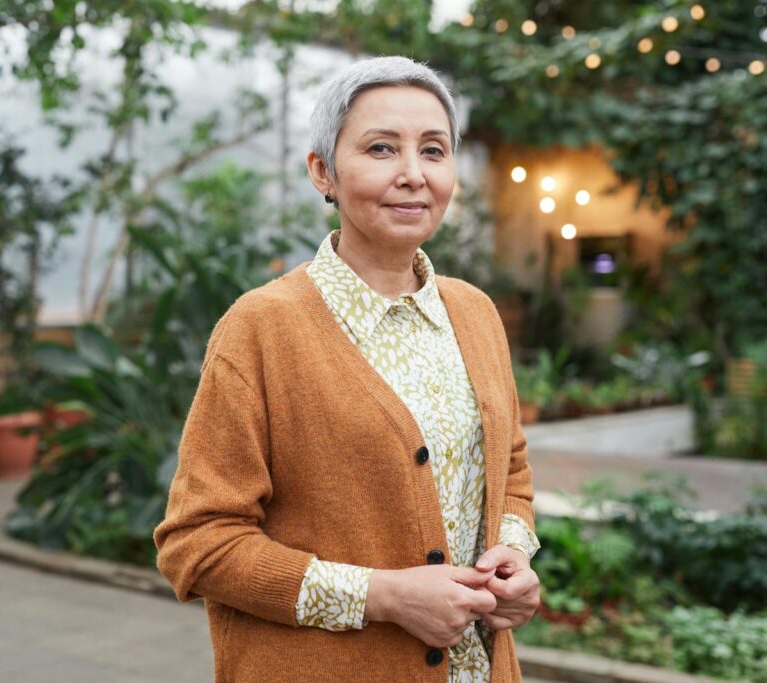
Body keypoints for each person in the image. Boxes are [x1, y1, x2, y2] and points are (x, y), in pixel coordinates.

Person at [154, 55, 540, 683]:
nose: (413, 175)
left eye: (434, 151)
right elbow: (197, 544)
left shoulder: (475, 313)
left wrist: (513, 559)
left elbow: (512, 471)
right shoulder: (261, 329)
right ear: (322, 172)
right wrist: (383, 596)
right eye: (382, 149)